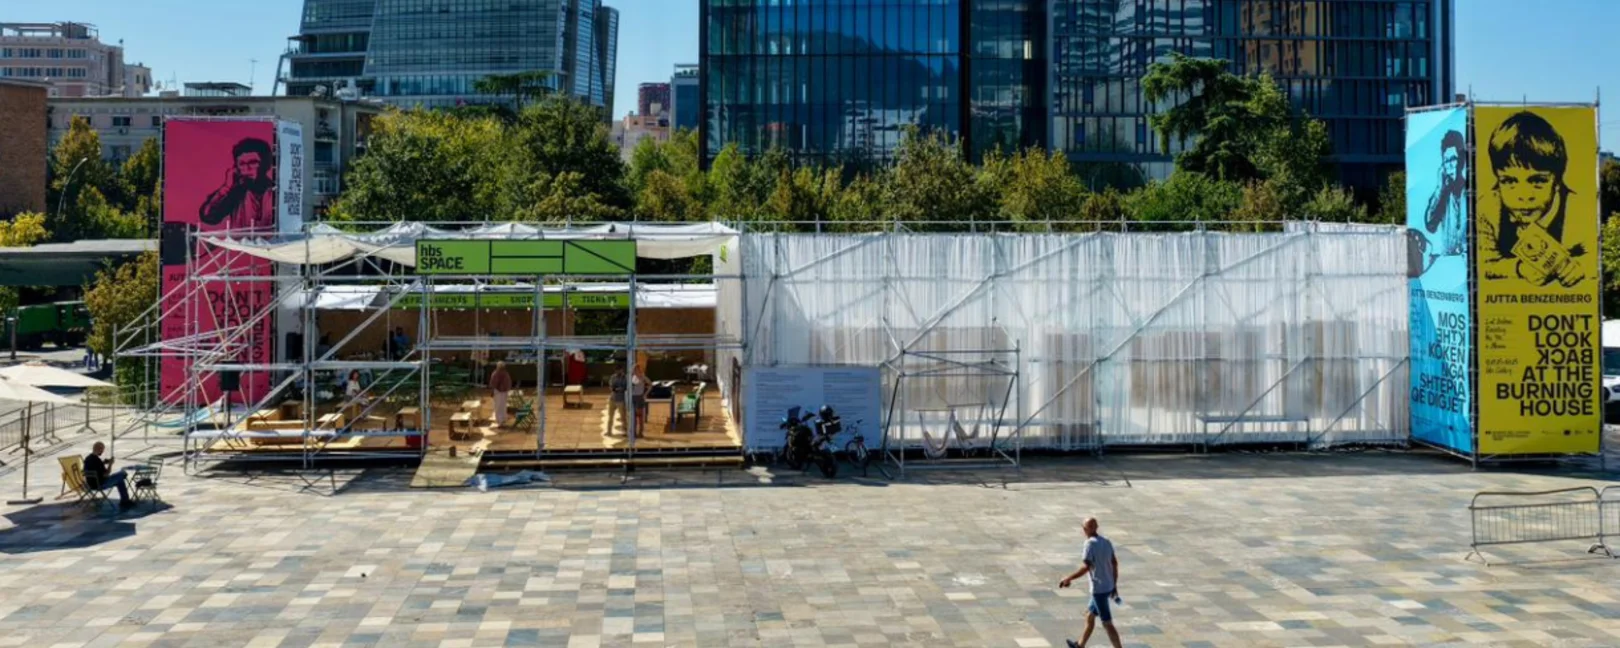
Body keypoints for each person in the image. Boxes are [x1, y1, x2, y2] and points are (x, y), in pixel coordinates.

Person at [1477, 111, 1586, 287]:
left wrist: (1580, 267)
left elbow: (1596, 256)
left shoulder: (1577, 209)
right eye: (1509, 181)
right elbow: (1483, 265)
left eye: (1537, 181)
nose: (1523, 196)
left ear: (1557, 181)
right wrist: (1518, 269)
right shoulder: (1487, 209)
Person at [1059, 517, 1122, 648]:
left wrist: (1069, 578)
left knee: (1107, 623)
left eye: (1084, 528)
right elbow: (1114, 563)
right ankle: (1080, 645)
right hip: (1108, 586)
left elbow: (1086, 567)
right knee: (1089, 615)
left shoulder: (1089, 544)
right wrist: (1114, 585)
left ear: (1085, 529)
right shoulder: (1106, 542)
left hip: (1098, 589)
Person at [199, 137, 276, 230]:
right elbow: (208, 217)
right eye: (242, 164)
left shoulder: (276, 193)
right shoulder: (235, 193)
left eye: (253, 162)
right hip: (240, 244)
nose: (247, 169)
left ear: (266, 164)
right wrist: (226, 188)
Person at [83, 442, 133, 508]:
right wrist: (110, 464)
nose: (103, 451)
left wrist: (104, 462)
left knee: (120, 480)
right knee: (122, 475)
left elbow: (96, 468)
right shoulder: (97, 461)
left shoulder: (88, 458)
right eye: (102, 449)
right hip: (100, 484)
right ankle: (125, 501)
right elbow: (106, 474)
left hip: (91, 484)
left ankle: (125, 501)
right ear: (99, 449)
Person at [489, 361, 513, 427]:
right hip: (502, 392)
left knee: (499, 406)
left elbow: (492, 384)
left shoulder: (496, 373)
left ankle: (500, 421)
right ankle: (502, 420)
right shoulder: (505, 374)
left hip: (499, 392)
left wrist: (492, 391)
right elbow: (508, 383)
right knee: (502, 406)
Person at [606, 366, 628, 437]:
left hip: (621, 399)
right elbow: (611, 387)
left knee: (623, 416)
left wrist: (619, 388)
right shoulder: (613, 377)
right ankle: (609, 431)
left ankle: (624, 431)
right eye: (616, 371)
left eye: (619, 370)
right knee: (610, 416)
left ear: (622, 370)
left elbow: (625, 387)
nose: (617, 372)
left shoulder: (625, 377)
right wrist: (615, 388)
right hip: (612, 398)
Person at [632, 364, 650, 438]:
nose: (636, 370)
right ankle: (634, 432)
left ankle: (640, 432)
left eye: (638, 369)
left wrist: (645, 394)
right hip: (632, 397)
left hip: (639, 397)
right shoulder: (632, 377)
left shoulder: (643, 376)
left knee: (640, 416)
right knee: (633, 417)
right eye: (635, 369)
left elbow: (650, 384)